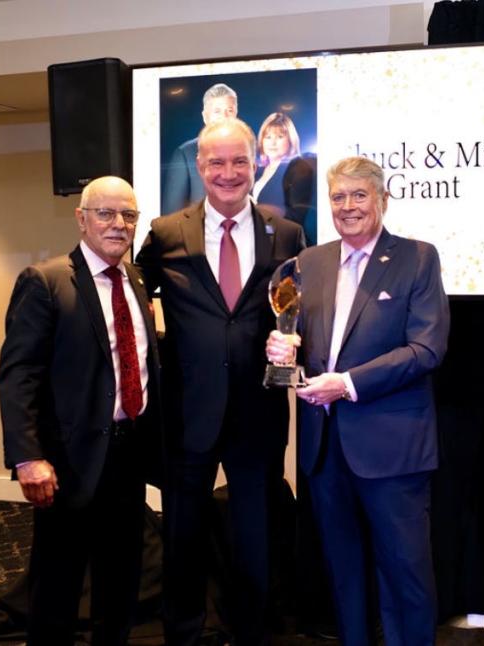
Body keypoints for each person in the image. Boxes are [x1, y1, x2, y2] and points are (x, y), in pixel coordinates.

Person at [266, 156, 450, 646]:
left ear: (381, 200)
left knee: (405, 574)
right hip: (324, 449)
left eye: (358, 195)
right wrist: (283, 347)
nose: (347, 207)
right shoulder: (309, 263)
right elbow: (298, 335)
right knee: (343, 574)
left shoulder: (417, 257)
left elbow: (427, 349)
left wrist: (346, 383)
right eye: (338, 197)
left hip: (393, 449)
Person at [137, 117, 306, 646]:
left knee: (254, 535)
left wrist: (295, 348)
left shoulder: (288, 232)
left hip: (258, 412)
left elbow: (300, 313)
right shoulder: (166, 233)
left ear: (256, 163)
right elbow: (137, 303)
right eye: (216, 162)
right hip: (188, 412)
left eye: (239, 161)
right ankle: (183, 633)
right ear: (200, 166)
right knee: (183, 534)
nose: (228, 173)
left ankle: (251, 631)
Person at [0, 176, 161, 645]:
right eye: (106, 213)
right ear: (82, 219)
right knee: (58, 583)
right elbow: (17, 376)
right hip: (68, 460)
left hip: (128, 453)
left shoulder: (136, 280)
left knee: (121, 577)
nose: (119, 224)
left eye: (128, 215)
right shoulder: (45, 281)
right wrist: (28, 457)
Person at [161, 83, 238, 215]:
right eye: (217, 111)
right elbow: (171, 215)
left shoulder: (248, 152)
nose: (224, 117)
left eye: (229, 110)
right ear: (205, 116)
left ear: (236, 113)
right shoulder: (185, 154)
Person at [252, 112, 317, 246]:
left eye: (280, 137)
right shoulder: (259, 170)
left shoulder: (299, 168)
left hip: (285, 245)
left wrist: (259, 211)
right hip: (260, 243)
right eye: (268, 137)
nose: (272, 142)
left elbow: (296, 217)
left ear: (290, 140)